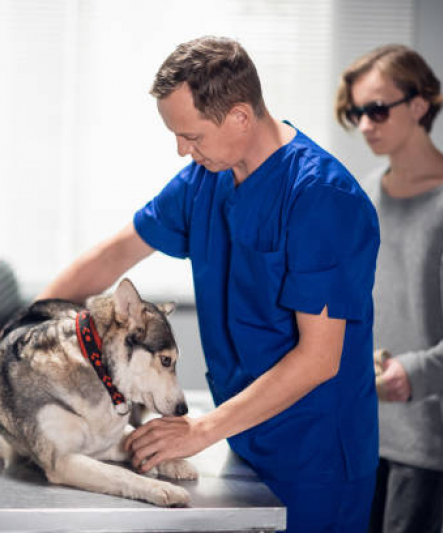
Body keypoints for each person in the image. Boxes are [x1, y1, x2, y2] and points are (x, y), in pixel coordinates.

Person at [39, 36, 380, 532]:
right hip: (244, 437)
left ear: (240, 116)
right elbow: (116, 254)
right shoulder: (206, 179)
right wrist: (27, 337)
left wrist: (199, 430)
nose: (182, 149)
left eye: (192, 136)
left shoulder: (322, 198)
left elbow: (319, 358)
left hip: (317, 457)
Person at [335, 44, 443, 533]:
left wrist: (410, 373)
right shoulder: (366, 192)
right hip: (362, 423)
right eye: (357, 113)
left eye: (376, 109)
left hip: (427, 428)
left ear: (419, 104)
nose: (365, 124)